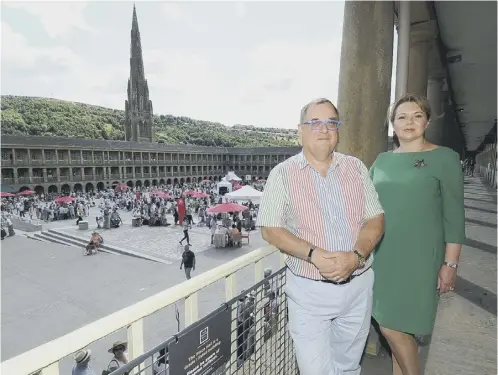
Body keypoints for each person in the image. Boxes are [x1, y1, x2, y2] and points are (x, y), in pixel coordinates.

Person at [256, 98, 385, 375]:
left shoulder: (356, 168)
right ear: (300, 130)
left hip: (358, 286)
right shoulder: (282, 174)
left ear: (338, 130)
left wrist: (357, 255)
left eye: (331, 123)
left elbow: (375, 218)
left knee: (349, 366)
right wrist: (313, 254)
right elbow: (270, 228)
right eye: (314, 123)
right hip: (309, 290)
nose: (324, 129)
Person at [369, 94, 465, 375]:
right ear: (393, 124)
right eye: (402, 117)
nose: (409, 122)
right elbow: (361, 202)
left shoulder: (445, 159)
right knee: (393, 329)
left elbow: (454, 216)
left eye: (416, 116)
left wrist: (451, 264)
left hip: (422, 258)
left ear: (427, 120)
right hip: (384, 258)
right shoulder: (382, 160)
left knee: (393, 328)